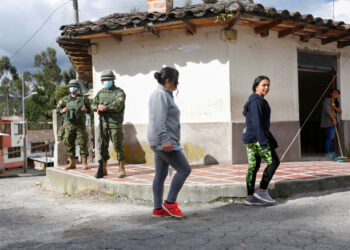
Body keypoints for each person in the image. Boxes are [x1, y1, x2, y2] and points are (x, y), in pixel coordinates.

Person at [148, 67, 191, 218]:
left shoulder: (165, 94)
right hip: (163, 142)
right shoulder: (160, 95)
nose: (177, 85)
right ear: (167, 81)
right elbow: (158, 121)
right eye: (175, 82)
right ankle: (170, 203)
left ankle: (158, 208)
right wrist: (165, 141)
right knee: (185, 169)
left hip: (162, 141)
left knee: (160, 175)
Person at [242, 75, 280, 206]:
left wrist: (272, 141)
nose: (266, 87)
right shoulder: (257, 101)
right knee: (274, 161)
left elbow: (260, 125)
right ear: (256, 86)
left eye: (268, 85)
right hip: (257, 139)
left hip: (250, 138)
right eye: (263, 85)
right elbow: (258, 124)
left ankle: (250, 197)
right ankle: (262, 190)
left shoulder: (253, 100)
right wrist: (263, 144)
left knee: (253, 167)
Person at [92, 70, 126, 178]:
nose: (106, 81)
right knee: (102, 145)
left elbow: (118, 105)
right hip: (103, 123)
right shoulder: (100, 93)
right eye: (105, 80)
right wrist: (97, 107)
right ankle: (103, 168)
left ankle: (121, 168)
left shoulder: (119, 92)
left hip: (115, 123)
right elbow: (93, 104)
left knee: (117, 145)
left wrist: (105, 107)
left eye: (109, 79)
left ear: (113, 80)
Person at [57, 79, 91, 170]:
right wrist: (62, 110)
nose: (72, 88)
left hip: (80, 125)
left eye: (74, 87)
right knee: (69, 143)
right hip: (68, 125)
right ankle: (72, 162)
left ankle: (84, 162)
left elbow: (91, 109)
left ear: (79, 88)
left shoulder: (84, 99)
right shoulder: (64, 99)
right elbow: (57, 110)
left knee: (83, 143)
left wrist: (86, 109)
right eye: (71, 87)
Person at [320, 89, 342, 158]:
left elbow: (340, 111)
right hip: (329, 122)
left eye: (337, 94)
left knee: (332, 138)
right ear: (331, 94)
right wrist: (333, 119)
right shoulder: (327, 100)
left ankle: (331, 152)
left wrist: (334, 108)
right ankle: (327, 153)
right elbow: (327, 111)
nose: (336, 94)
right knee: (329, 137)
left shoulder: (336, 102)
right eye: (335, 93)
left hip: (334, 122)